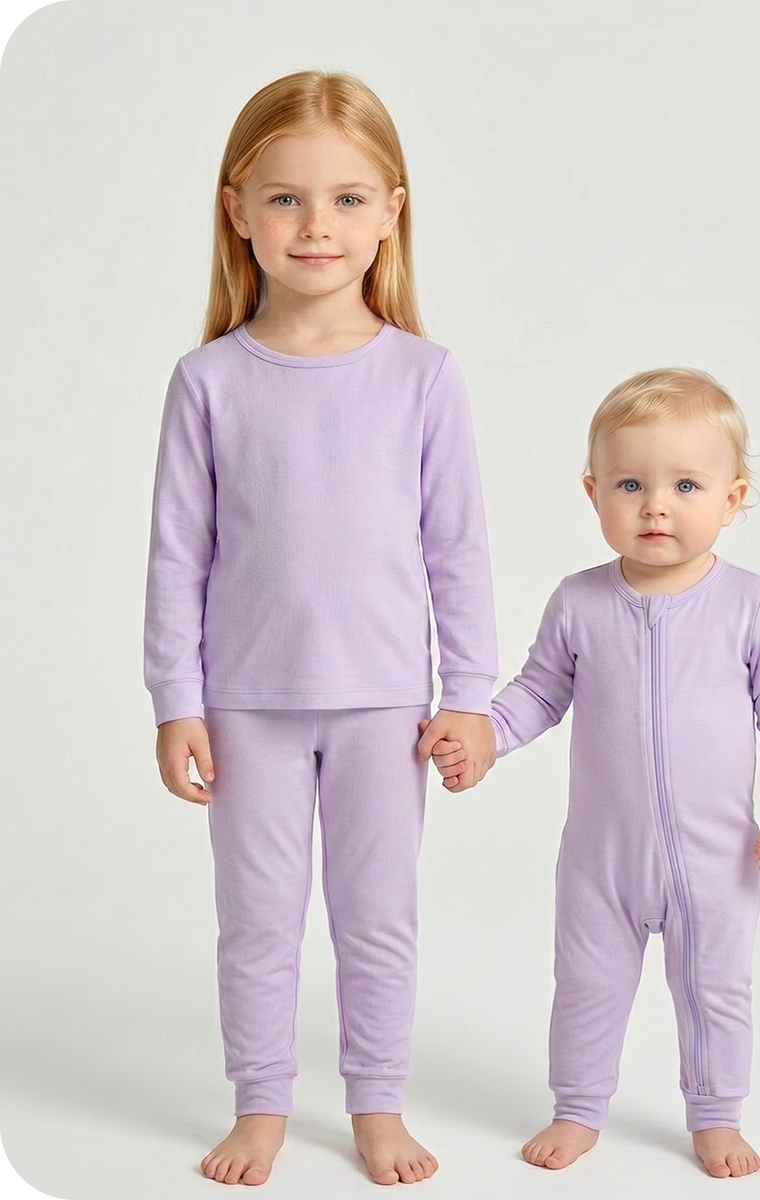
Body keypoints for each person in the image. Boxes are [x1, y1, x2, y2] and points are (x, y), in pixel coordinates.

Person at [143, 69, 497, 1188]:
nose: (315, 226)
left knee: (375, 919)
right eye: (286, 199)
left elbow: (458, 550)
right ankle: (260, 1105)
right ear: (238, 210)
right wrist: (177, 702)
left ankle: (376, 1103)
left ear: (391, 211)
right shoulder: (208, 382)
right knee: (256, 922)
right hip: (246, 705)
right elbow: (177, 557)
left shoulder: (424, 378)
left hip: (386, 708)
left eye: (346, 199)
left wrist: (470, 699)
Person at [426, 368, 760, 1179]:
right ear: (593, 492)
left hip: (717, 858)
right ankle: (577, 1107)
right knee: (586, 986)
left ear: (733, 498)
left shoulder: (749, 605)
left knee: (715, 990)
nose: (655, 507)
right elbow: (540, 691)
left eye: (685, 486)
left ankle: (715, 1113)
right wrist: (487, 736)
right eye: (631, 484)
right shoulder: (580, 601)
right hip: (601, 860)